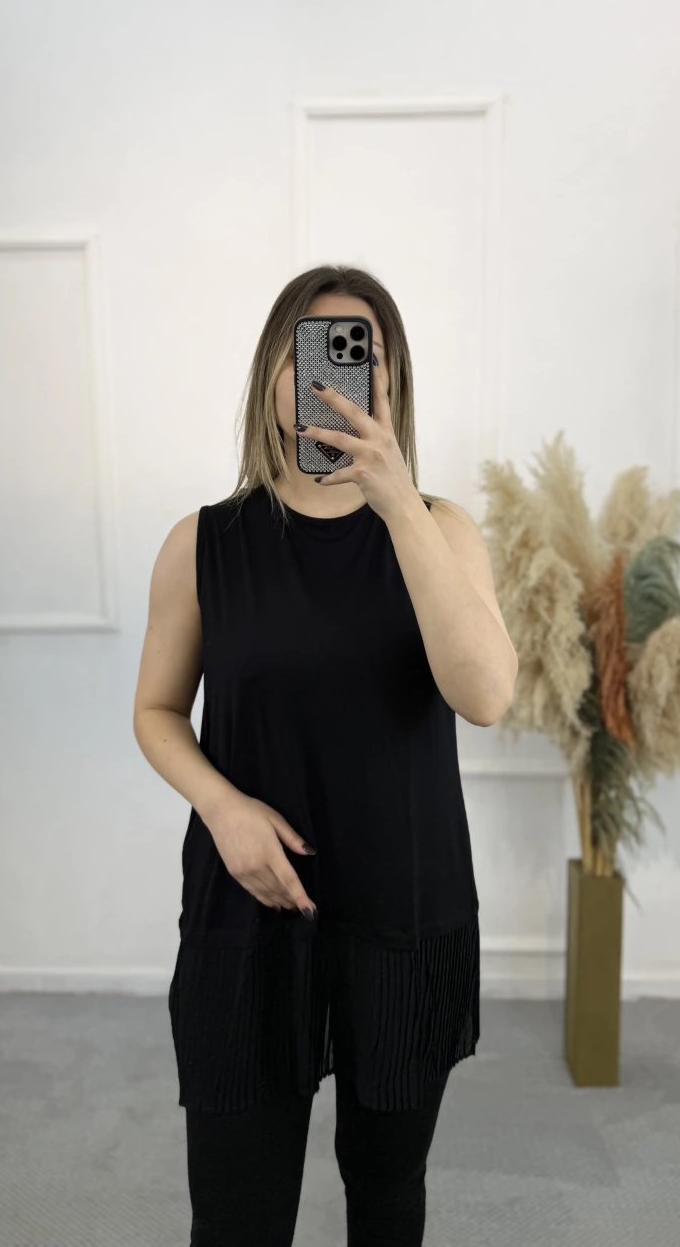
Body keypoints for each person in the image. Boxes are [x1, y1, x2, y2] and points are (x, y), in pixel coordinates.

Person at [133, 265, 518, 1246]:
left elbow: (484, 695)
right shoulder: (202, 543)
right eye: (310, 352)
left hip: (403, 906)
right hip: (248, 906)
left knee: (387, 1197)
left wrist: (397, 504)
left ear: (390, 384)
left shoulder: (439, 529)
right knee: (237, 1216)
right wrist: (222, 806)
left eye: (359, 355)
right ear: (272, 372)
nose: (330, 377)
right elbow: (157, 711)